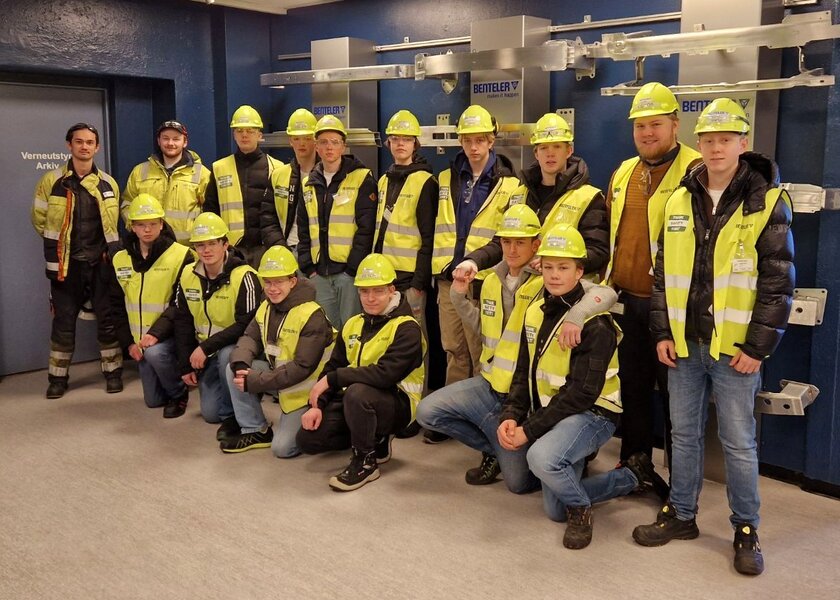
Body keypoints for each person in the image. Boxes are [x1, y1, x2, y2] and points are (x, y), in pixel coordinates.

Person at [633, 98, 794, 577]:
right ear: (697, 143)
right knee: (682, 435)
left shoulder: (767, 200)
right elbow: (663, 273)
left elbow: (778, 282)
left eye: (725, 139)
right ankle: (682, 514)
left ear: (743, 143)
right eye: (708, 140)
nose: (716, 148)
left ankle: (746, 528)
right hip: (684, 345)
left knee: (738, 442)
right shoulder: (679, 198)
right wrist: (663, 332)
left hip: (735, 350)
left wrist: (757, 347)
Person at [417, 205, 619, 490]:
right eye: (506, 242)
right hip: (492, 383)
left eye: (520, 242)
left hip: (523, 390)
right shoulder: (491, 281)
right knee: (428, 412)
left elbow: (605, 293)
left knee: (519, 483)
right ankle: (496, 448)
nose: (512, 249)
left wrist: (576, 315)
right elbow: (485, 328)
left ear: (535, 245)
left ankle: (549, 451)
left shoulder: (547, 280)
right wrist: (459, 297)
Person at [500, 223, 660, 550]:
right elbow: (522, 373)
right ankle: (570, 463)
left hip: (593, 414)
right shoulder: (535, 311)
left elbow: (581, 394)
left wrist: (529, 430)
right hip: (554, 412)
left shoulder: (595, 323)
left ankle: (609, 489)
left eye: (563, 267)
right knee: (517, 482)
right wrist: (512, 415)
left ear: (579, 272)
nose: (554, 275)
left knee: (546, 474)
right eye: (548, 267)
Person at [603, 82, 702, 468]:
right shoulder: (623, 172)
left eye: (656, 124)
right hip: (626, 302)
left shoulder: (697, 170)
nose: (647, 133)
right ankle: (635, 466)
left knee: (679, 399)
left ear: (676, 124)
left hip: (675, 309)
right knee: (632, 390)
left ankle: (681, 483)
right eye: (640, 125)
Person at [428, 104, 519, 441]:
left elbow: (506, 238)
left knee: (483, 352)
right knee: (454, 349)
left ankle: (482, 421)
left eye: (480, 140)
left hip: (485, 281)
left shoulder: (511, 184)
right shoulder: (445, 178)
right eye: (467, 140)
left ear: (492, 140)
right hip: (449, 279)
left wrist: (476, 262)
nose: (474, 146)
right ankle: (452, 415)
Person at [297, 254, 424, 492]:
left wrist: (334, 379)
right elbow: (333, 366)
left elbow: (384, 375)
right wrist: (317, 405)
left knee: (357, 393)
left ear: (391, 290)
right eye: (364, 291)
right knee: (308, 440)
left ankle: (366, 461)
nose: (370, 298)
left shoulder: (406, 327)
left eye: (378, 291)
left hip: (398, 405)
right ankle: (372, 438)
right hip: (357, 401)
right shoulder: (353, 323)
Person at [456, 112, 608, 280]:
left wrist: (553, 262)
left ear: (569, 151)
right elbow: (502, 242)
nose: (550, 154)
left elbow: (598, 252)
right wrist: (473, 261)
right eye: (544, 148)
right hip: (521, 289)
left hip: (564, 291)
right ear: (536, 153)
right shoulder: (519, 195)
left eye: (557, 147)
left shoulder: (589, 198)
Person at [31, 122, 123, 398]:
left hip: (101, 264)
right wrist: (62, 247)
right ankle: (57, 379)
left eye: (89, 142)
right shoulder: (52, 181)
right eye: (79, 141)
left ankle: (113, 373)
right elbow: (40, 220)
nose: (84, 146)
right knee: (63, 323)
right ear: (69, 145)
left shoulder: (108, 183)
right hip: (65, 265)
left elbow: (113, 223)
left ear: (97, 147)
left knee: (107, 320)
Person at [222, 246, 334, 457]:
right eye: (268, 282)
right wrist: (241, 365)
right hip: (281, 382)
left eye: (279, 282)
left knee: (283, 449)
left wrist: (256, 380)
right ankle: (255, 430)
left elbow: (302, 367)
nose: (272, 289)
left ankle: (325, 415)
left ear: (293, 281)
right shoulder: (266, 307)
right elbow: (249, 338)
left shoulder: (311, 315)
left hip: (307, 391)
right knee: (233, 369)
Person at [173, 213, 261, 437]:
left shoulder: (245, 276)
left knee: (227, 355)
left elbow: (247, 325)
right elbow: (182, 321)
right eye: (200, 245)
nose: (206, 250)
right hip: (208, 353)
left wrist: (205, 348)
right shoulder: (187, 275)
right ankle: (229, 404)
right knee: (211, 414)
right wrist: (185, 365)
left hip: (237, 348)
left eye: (212, 243)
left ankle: (234, 416)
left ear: (225, 244)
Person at [112, 194, 195, 417]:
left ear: (162, 224)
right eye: (141, 225)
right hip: (141, 343)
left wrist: (156, 334)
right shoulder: (119, 259)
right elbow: (116, 306)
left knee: (156, 354)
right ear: (132, 227)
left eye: (152, 223)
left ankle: (179, 393)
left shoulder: (182, 255)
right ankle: (167, 379)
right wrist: (129, 344)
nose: (147, 229)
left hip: (169, 337)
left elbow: (181, 304)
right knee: (153, 401)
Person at [375, 109, 438, 396]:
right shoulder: (384, 180)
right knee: (387, 341)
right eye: (396, 139)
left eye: (407, 139)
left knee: (415, 342)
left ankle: (416, 401)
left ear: (415, 144)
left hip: (410, 278)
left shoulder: (425, 181)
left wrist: (419, 283)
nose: (401, 144)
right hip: (384, 278)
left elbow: (429, 237)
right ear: (389, 143)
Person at [296, 114, 378, 331]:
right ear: (316, 146)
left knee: (352, 330)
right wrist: (308, 267)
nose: (329, 147)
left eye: (334, 142)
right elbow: (303, 229)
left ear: (343, 146)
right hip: (319, 275)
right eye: (323, 142)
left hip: (347, 274)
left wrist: (352, 269)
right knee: (325, 332)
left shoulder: (361, 178)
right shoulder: (308, 183)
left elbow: (366, 228)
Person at [205, 105, 285, 268]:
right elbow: (210, 210)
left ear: (259, 135)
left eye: (250, 131)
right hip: (232, 249)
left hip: (266, 247)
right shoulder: (219, 168)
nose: (244, 135)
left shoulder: (277, 168)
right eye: (239, 131)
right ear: (234, 135)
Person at [122, 120, 211, 245]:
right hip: (148, 248)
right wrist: (134, 227)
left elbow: (209, 211)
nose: (170, 143)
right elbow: (127, 204)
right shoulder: (140, 171)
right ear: (159, 141)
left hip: (186, 248)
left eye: (176, 139)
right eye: (165, 138)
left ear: (185, 142)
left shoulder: (201, 174)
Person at [262, 108, 319, 254]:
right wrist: (280, 248)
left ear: (315, 140)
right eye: (296, 138)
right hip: (288, 248)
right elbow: (268, 219)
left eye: (307, 138)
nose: (302, 143)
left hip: (318, 251)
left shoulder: (327, 175)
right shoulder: (278, 175)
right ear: (290, 141)